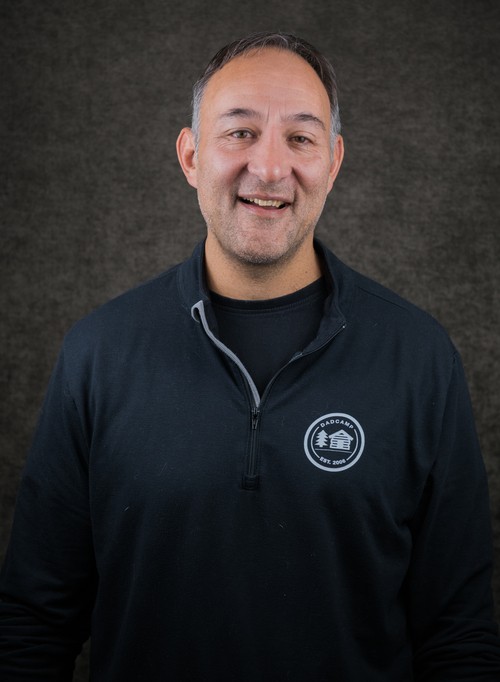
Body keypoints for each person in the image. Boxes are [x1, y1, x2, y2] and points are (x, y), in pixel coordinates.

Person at [1, 31, 499, 682]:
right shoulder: (97, 354)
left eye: (300, 138)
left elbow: (460, 637)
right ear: (190, 156)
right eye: (240, 132)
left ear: (334, 161)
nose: (268, 168)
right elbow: (32, 626)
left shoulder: (420, 358)